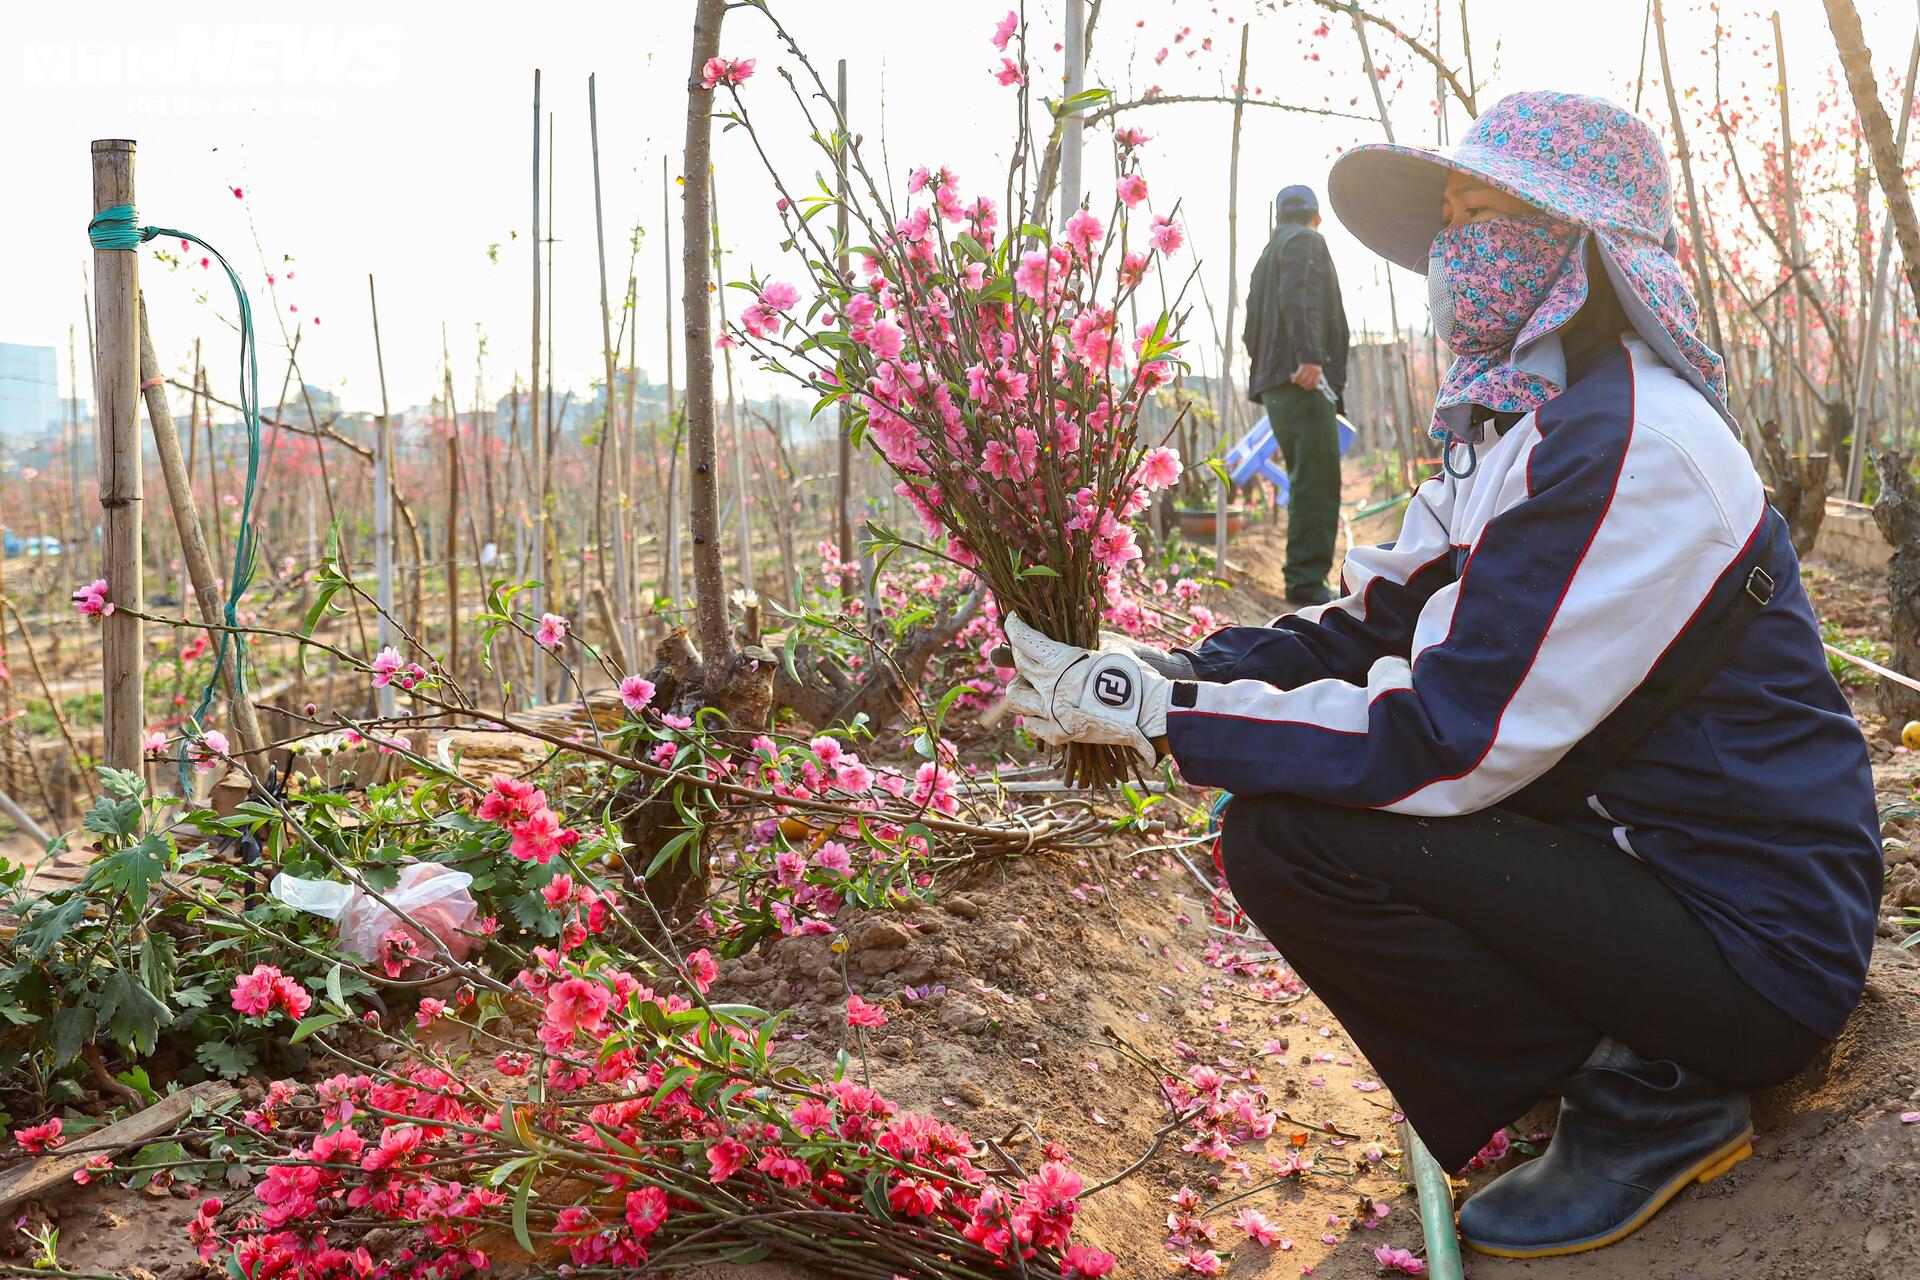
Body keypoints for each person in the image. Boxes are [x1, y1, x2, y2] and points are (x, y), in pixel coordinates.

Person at [1001, 92, 1881, 1259]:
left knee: (1295, 836)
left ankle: (1650, 1095)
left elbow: (1454, 731)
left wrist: (1171, 721)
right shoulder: (1530, 425)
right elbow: (1380, 616)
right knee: (1287, 819)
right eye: (1452, 214)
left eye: (1490, 211)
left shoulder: (1634, 445)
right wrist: (1174, 669)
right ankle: (1583, 1060)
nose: (1457, 242)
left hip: (1753, 938)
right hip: (1645, 862)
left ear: (1585, 248)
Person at [1242, 183, 1351, 605]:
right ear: (1316, 217)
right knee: (1317, 481)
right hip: (1301, 379)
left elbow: (1251, 329)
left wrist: (1269, 371)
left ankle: (1302, 575)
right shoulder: (1306, 240)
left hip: (1278, 384)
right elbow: (1301, 296)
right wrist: (1308, 357)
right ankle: (1306, 583)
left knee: (1307, 476)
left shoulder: (1265, 256)